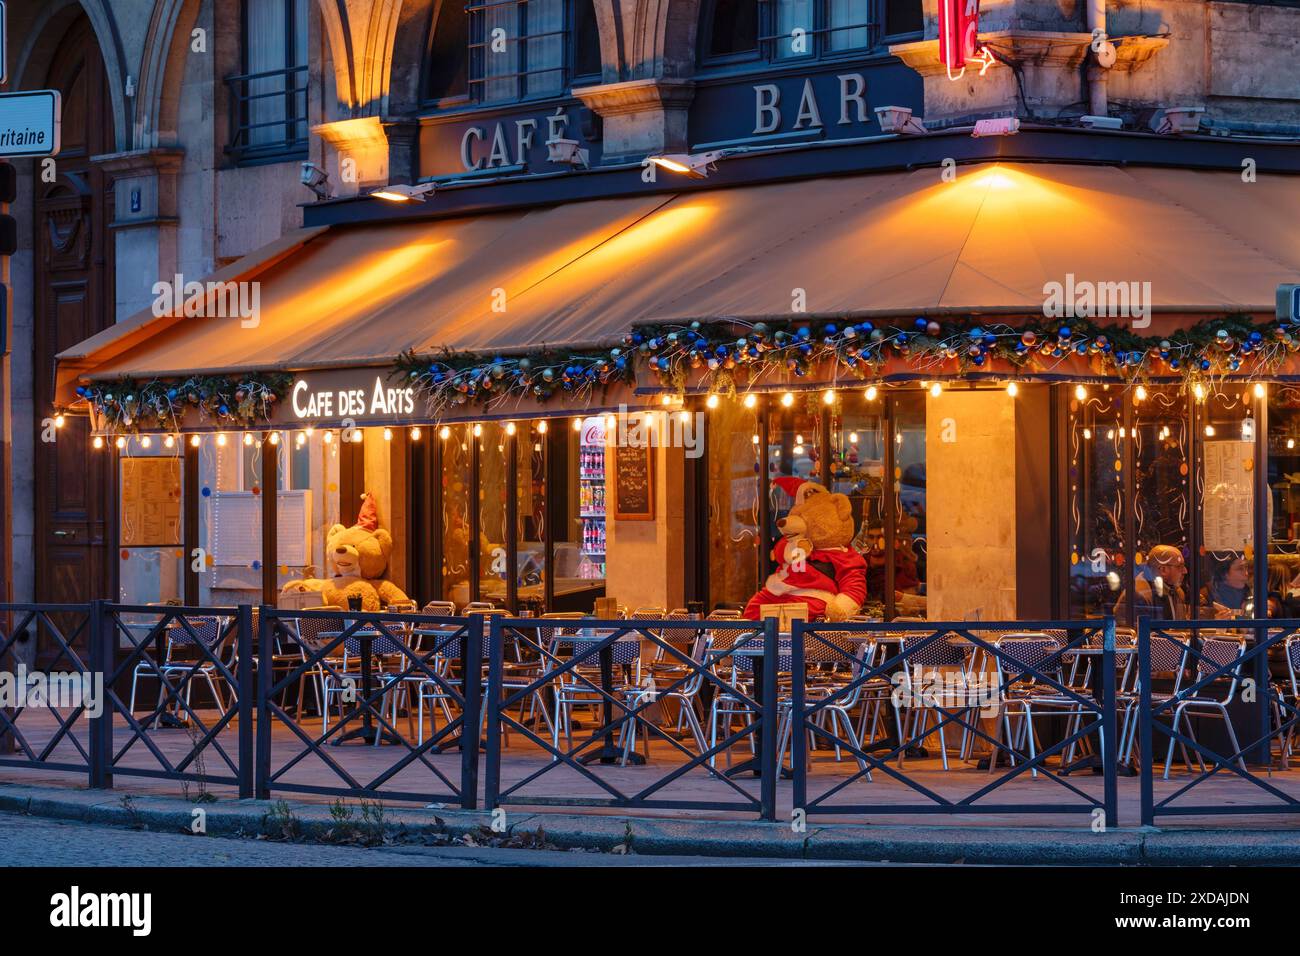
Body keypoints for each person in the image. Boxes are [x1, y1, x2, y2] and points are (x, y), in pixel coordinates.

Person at [1113, 545, 1189, 620]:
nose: (1185, 571)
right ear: (1163, 570)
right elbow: (1139, 631)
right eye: (1180, 566)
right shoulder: (1138, 596)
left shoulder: (1177, 592)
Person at [1201, 554, 1251, 619]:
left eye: (1246, 567)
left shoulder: (1249, 594)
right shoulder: (1205, 597)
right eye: (1240, 569)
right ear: (1224, 574)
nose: (1246, 573)